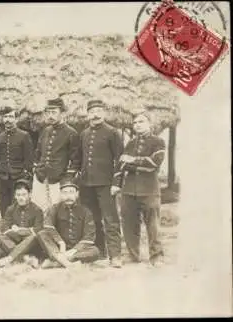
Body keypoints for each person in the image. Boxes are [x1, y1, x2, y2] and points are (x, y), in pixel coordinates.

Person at [112, 112, 166, 267]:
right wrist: (117, 183)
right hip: (128, 190)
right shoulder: (130, 143)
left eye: (141, 121)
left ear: (149, 123)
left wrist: (132, 161)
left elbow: (154, 163)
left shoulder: (158, 142)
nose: (137, 125)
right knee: (129, 224)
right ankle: (133, 255)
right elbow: (121, 165)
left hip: (149, 189)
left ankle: (156, 257)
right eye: (135, 123)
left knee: (153, 225)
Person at [78, 99, 124, 268]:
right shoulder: (84, 134)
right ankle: (98, 252)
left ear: (104, 113)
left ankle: (115, 255)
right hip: (86, 184)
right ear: (87, 114)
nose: (95, 114)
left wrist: (116, 182)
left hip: (106, 184)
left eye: (99, 110)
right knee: (92, 219)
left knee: (110, 219)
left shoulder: (112, 132)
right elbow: (81, 159)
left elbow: (120, 160)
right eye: (92, 111)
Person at [37, 179, 100, 269]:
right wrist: (60, 242)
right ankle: (67, 263)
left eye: (71, 192)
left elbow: (89, 236)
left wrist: (74, 250)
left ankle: (57, 262)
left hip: (77, 249)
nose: (68, 196)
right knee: (42, 234)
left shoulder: (85, 211)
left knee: (95, 251)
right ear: (61, 195)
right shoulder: (55, 208)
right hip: (57, 248)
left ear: (77, 194)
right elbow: (48, 226)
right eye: (65, 193)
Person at [33, 98, 80, 210]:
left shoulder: (71, 133)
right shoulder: (45, 131)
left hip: (58, 178)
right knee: (39, 207)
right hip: (41, 176)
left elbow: (76, 160)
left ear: (62, 113)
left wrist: (67, 177)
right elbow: (38, 152)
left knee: (58, 208)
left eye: (54, 112)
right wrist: (36, 169)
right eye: (48, 112)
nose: (50, 116)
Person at [0, 179, 44, 269]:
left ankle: (7, 259)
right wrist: (17, 231)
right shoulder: (11, 209)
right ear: (15, 196)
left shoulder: (37, 210)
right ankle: (25, 257)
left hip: (30, 243)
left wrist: (19, 230)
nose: (21, 198)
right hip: (14, 240)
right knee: (0, 236)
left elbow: (38, 230)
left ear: (29, 195)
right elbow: (4, 227)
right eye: (18, 195)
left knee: (34, 237)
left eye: (24, 195)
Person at [0, 106, 34, 215]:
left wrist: (25, 173)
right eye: (5, 117)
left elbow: (29, 158)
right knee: (3, 205)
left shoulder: (24, 135)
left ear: (16, 119)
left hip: (19, 176)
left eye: (11, 116)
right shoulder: (0, 137)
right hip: (2, 177)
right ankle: (5, 227)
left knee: (19, 204)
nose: (8, 120)